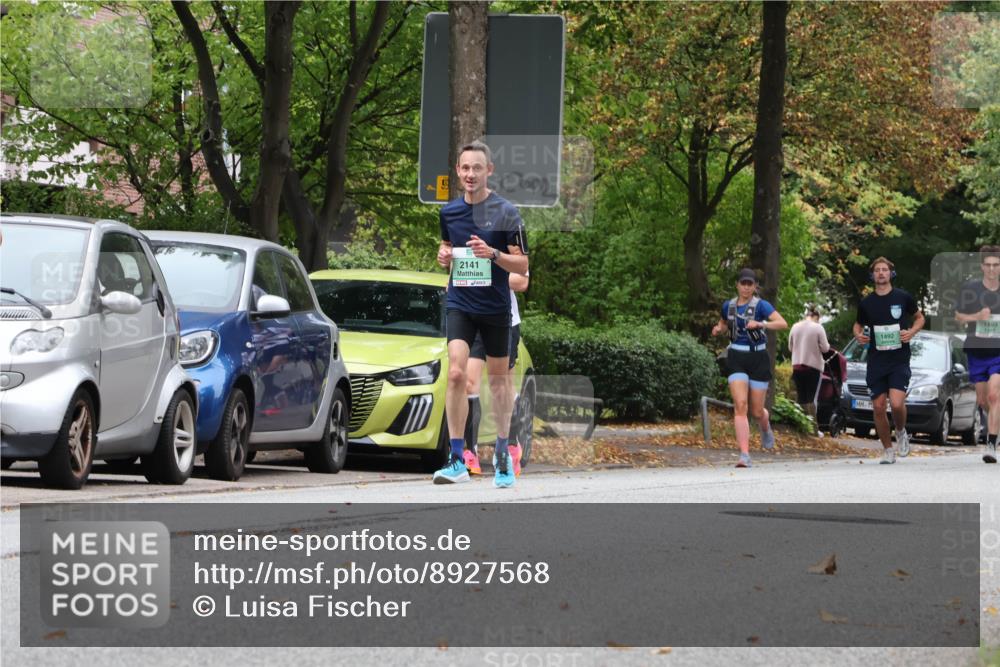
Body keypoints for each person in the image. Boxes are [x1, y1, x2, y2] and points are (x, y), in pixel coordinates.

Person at [433, 140, 529, 488]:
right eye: (465, 168)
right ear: (458, 172)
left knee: (499, 384)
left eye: (477, 168)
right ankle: (457, 457)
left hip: (495, 309)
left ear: (489, 171)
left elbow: (522, 263)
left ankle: (503, 450)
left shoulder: (506, 213)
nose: (470, 174)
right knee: (457, 373)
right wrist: (444, 256)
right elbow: (447, 248)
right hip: (460, 303)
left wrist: (492, 254)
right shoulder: (449, 213)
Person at [711, 268, 788, 468]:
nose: (746, 287)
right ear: (737, 285)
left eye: (750, 284)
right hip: (736, 356)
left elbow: (782, 323)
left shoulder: (761, 305)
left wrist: (761, 324)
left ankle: (765, 426)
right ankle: (744, 455)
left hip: (758, 357)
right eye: (743, 283)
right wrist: (719, 329)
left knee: (756, 411)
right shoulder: (728, 305)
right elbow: (724, 324)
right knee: (740, 405)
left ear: (755, 287)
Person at [853, 256, 924, 464]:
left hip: (899, 359)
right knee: (877, 406)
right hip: (876, 360)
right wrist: (858, 336)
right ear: (872, 275)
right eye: (877, 270)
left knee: (896, 402)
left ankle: (901, 431)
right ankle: (887, 451)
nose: (881, 273)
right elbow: (857, 325)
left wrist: (911, 332)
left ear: (891, 273)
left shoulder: (903, 297)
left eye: (884, 270)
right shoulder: (867, 302)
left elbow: (920, 318)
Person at [462, 270, 529, 476]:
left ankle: (510, 445)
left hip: (504, 320)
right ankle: (469, 451)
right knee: (469, 383)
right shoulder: (467, 240)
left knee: (502, 386)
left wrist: (489, 275)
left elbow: (521, 282)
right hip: (474, 319)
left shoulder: (510, 241)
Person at [954, 245, 1000, 463]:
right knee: (983, 400)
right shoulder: (970, 289)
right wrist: (978, 317)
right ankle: (995, 420)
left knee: (994, 395)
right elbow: (959, 317)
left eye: (996, 265)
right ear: (982, 266)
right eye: (988, 265)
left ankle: (991, 443)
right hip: (977, 351)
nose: (992, 269)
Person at [788, 307, 831, 435]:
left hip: (797, 366)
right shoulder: (818, 328)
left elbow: (790, 347)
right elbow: (825, 348)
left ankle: (800, 427)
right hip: (813, 367)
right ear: (817, 317)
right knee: (811, 399)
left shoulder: (795, 326)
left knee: (800, 397)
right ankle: (813, 429)